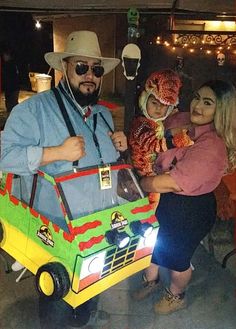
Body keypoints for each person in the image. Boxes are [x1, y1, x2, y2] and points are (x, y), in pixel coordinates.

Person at [0, 30, 127, 328]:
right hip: (55, 228)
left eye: (96, 70)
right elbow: (5, 156)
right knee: (58, 298)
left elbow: (107, 166)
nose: (90, 76)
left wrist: (120, 146)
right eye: (81, 67)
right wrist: (54, 152)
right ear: (64, 68)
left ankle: (83, 317)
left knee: (91, 285)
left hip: (99, 224)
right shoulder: (33, 110)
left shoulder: (102, 114)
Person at [133, 80, 236, 314]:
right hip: (165, 201)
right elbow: (154, 127)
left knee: (177, 257)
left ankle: (176, 295)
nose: (198, 105)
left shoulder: (213, 146)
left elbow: (170, 183)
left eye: (208, 103)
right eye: (197, 97)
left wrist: (141, 182)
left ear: (222, 110)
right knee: (153, 243)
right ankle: (151, 280)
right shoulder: (182, 120)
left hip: (191, 210)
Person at [128, 69, 193, 208]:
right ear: (144, 100)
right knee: (150, 203)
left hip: (153, 167)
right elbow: (155, 145)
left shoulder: (155, 122)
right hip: (143, 171)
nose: (158, 109)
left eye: (164, 105)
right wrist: (180, 140)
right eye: (154, 103)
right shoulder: (140, 124)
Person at [1, 48, 20, 113]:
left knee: (11, 104)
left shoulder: (8, 65)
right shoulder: (13, 64)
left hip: (11, 88)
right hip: (14, 88)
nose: (3, 57)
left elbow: (8, 78)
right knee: (13, 103)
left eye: (4, 55)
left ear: (8, 55)